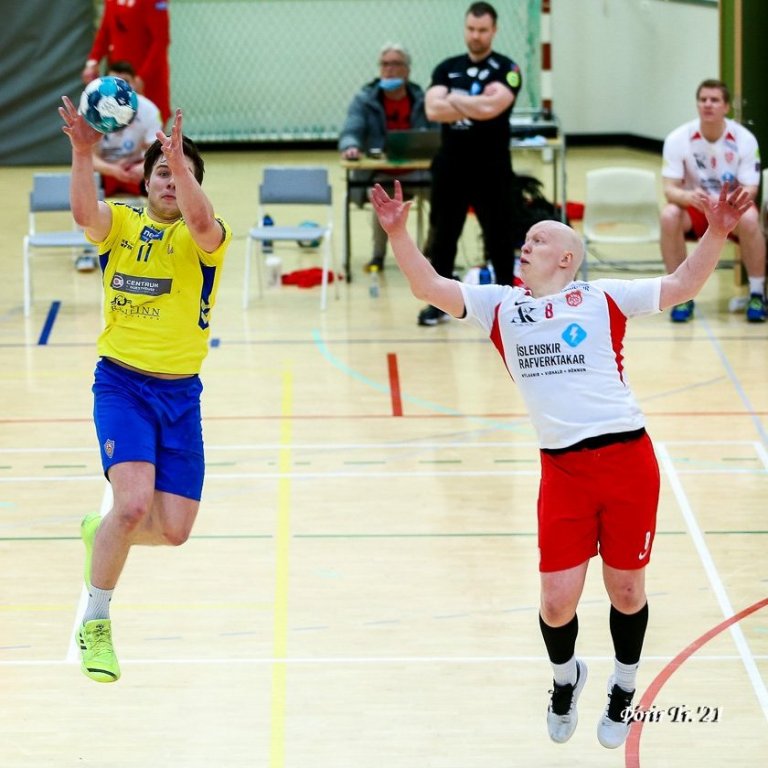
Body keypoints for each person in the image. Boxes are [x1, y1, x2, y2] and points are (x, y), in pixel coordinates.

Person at [371, 178, 751, 748]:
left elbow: (681, 284)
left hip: (627, 460)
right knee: (555, 604)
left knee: (627, 592)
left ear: (566, 259)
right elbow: (428, 285)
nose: (525, 246)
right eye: (525, 240)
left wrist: (717, 231)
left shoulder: (603, 298)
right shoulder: (499, 306)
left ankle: (624, 685)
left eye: (538, 240)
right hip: (563, 471)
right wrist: (398, 233)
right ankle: (566, 677)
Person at [58, 96, 231, 683]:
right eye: (162, 172)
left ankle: (100, 531)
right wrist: (83, 152)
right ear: (145, 181)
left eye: (181, 174)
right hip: (122, 386)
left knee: (174, 531)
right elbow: (84, 214)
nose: (170, 182)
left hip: (181, 396)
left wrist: (180, 163)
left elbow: (202, 223)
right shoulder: (122, 225)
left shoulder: (207, 237)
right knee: (131, 505)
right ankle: (96, 622)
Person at [418, 1, 523, 326]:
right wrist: (475, 103)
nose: (476, 36)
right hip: (451, 165)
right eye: (471, 29)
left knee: (499, 235)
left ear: (494, 31)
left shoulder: (507, 68)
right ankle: (439, 304)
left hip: (492, 166)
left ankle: (507, 303)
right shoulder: (446, 67)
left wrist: (453, 99)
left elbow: (493, 108)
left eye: (482, 30)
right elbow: (433, 110)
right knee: (443, 236)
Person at [661, 78, 766, 323]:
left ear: (726, 107)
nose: (708, 104)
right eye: (703, 100)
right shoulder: (678, 138)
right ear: (697, 104)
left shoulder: (744, 139)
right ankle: (679, 295)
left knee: (751, 217)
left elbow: (751, 188)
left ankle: (757, 294)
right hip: (697, 208)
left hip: (731, 210)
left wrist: (729, 202)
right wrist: (687, 196)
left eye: (715, 100)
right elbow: (669, 189)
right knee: (669, 215)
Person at [338, 43, 434, 273]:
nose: (389, 69)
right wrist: (351, 146)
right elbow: (351, 129)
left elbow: (436, 131)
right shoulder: (365, 99)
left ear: (407, 70)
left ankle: (432, 254)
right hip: (380, 172)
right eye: (384, 64)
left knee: (445, 199)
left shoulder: (421, 99)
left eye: (395, 64)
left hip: (417, 171)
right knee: (381, 198)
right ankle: (377, 256)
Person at [74, 60, 164, 273]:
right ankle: (86, 251)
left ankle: (158, 247)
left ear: (135, 84)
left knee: (164, 185)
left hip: (135, 169)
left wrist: (141, 169)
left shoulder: (148, 110)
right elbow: (88, 157)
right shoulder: (91, 106)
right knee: (83, 192)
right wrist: (112, 170)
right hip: (105, 170)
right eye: (116, 81)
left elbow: (157, 154)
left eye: (126, 81)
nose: (121, 87)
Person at [81, 0, 172, 126]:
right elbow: (105, 32)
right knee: (117, 124)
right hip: (119, 78)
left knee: (152, 125)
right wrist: (92, 62)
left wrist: (141, 78)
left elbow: (160, 41)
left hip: (147, 80)